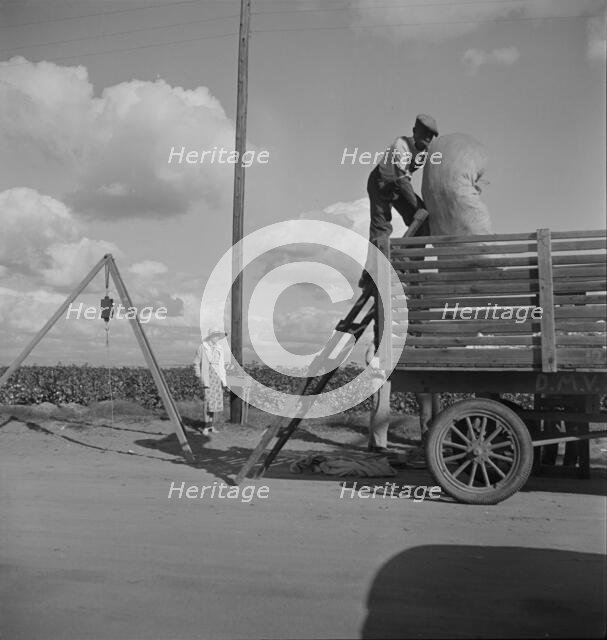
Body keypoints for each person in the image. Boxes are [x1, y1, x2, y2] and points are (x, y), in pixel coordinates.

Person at [359, 114, 439, 291]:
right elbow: (402, 180)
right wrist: (417, 207)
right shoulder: (401, 146)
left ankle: (410, 263)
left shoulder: (427, 152)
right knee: (382, 228)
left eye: (431, 135)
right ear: (414, 131)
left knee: (423, 223)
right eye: (424, 132)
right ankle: (371, 272)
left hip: (399, 187)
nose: (427, 137)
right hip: (381, 183)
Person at [193, 327, 228, 433]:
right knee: (208, 402)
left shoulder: (219, 348)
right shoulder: (202, 347)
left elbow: (221, 364)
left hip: (217, 377)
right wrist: (199, 375)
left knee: (215, 403)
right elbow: (196, 362)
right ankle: (205, 426)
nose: (217, 338)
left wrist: (224, 380)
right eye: (215, 335)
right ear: (211, 336)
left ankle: (211, 425)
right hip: (207, 376)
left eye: (218, 335)